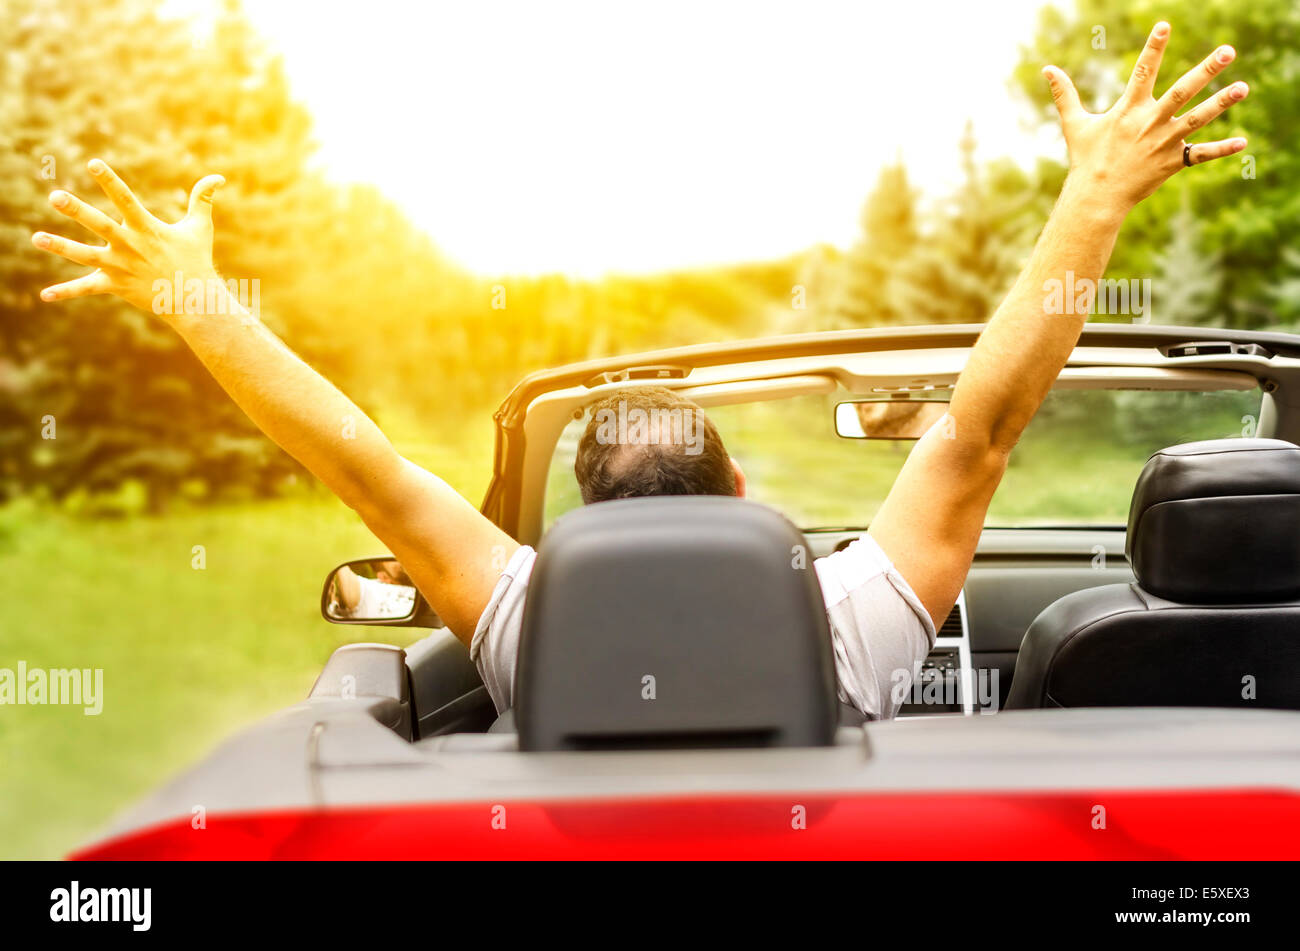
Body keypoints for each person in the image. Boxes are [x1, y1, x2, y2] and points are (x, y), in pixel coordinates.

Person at [31, 23, 1249, 718]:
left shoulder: (519, 621)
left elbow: (360, 463)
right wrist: (1095, 194)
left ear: (580, 525)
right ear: (733, 502)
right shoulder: (846, 624)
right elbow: (982, 427)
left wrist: (195, 299)